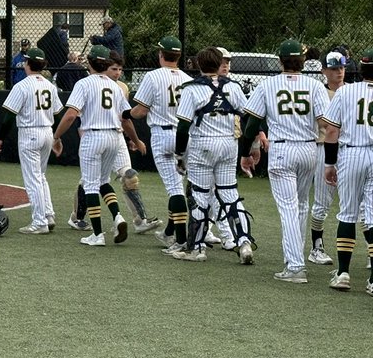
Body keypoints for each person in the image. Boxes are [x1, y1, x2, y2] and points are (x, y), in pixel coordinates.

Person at [238, 40, 330, 283]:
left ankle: (295, 266)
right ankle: (295, 259)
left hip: (282, 150)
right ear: (302, 61)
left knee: (289, 208)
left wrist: (247, 152)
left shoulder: (268, 84)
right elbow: (325, 124)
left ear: (280, 61)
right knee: (300, 206)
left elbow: (252, 124)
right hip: (309, 149)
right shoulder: (315, 85)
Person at [51, 45, 146, 247]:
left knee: (91, 185)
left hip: (93, 136)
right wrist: (136, 140)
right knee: (103, 182)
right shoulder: (115, 86)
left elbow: (70, 115)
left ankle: (97, 235)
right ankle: (118, 217)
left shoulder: (84, 84)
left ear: (90, 63)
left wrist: (57, 136)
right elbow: (126, 120)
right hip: (114, 137)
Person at [173, 47, 253, 263]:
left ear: (198, 64)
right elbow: (247, 118)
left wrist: (180, 155)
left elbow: (182, 127)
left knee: (199, 196)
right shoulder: (234, 87)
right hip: (229, 144)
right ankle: (244, 242)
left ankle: (197, 248)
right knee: (230, 194)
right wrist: (249, 146)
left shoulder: (191, 89)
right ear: (219, 64)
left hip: (203, 145)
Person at [129, 36, 193, 248]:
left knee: (175, 189)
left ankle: (180, 240)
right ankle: (169, 232)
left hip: (162, 133)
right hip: (184, 136)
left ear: (160, 54)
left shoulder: (153, 76)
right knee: (181, 187)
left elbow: (141, 110)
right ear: (179, 55)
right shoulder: (187, 78)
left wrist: (126, 113)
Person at [320, 49, 373, 293]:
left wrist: (330, 163)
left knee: (348, 213)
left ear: (360, 68)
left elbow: (331, 132)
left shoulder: (345, 91)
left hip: (351, 153)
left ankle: (343, 273)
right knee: (371, 217)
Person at [0, 46, 57, 234]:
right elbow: (58, 113)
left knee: (33, 179)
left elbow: (9, 116)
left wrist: (0, 138)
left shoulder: (21, 86)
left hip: (30, 133)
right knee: (41, 176)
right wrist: (57, 137)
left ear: (27, 63)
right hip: (47, 131)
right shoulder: (50, 86)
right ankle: (48, 214)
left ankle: (39, 222)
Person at [104, 51, 161, 234]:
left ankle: (139, 220)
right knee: (91, 181)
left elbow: (124, 117)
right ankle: (77, 216)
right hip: (96, 137)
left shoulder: (121, 87)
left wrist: (131, 139)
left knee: (130, 176)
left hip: (117, 136)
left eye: (120, 69)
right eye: (114, 69)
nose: (117, 73)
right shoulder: (88, 84)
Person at [306, 50, 351, 265]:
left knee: (359, 205)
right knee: (322, 201)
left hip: (351, 150)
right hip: (324, 148)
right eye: (334, 68)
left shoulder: (352, 91)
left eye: (341, 68)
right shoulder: (319, 93)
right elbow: (325, 126)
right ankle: (317, 247)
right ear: (324, 71)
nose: (339, 72)